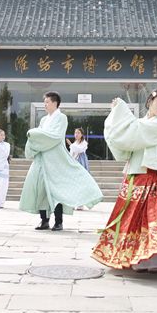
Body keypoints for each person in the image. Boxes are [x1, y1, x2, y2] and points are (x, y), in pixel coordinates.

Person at [92, 89, 157, 271]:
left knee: (154, 214)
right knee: (134, 214)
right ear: (150, 102)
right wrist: (117, 112)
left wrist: (122, 109)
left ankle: (156, 259)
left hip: (153, 174)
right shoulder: (140, 123)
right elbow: (124, 138)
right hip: (137, 172)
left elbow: (132, 133)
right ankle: (135, 256)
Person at [19, 91, 102, 231]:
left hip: (55, 160)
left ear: (55, 103)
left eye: (47, 102)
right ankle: (44, 220)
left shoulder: (61, 118)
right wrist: (35, 137)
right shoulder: (44, 120)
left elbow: (55, 136)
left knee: (56, 190)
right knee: (41, 189)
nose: (45, 105)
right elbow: (39, 137)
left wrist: (35, 134)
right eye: (44, 102)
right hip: (42, 159)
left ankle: (58, 221)